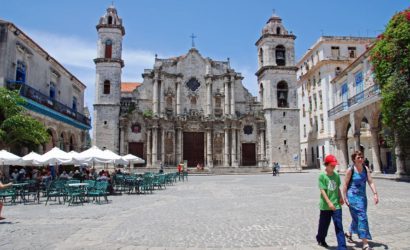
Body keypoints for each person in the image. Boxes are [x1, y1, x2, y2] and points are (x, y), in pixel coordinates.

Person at [343, 151, 378, 250]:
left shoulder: (365, 169)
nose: (361, 159)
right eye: (358, 157)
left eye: (362, 157)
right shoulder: (350, 170)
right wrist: (345, 197)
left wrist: (375, 194)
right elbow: (345, 184)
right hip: (353, 197)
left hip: (362, 198)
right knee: (362, 217)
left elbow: (370, 182)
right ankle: (365, 243)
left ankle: (349, 233)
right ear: (354, 159)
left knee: (356, 218)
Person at [316, 154, 346, 249]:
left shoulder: (336, 175)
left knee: (339, 226)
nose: (333, 166)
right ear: (326, 164)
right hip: (325, 206)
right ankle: (320, 239)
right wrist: (329, 203)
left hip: (336, 205)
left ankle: (342, 247)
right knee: (324, 226)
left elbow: (337, 188)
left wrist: (341, 197)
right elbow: (322, 191)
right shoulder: (322, 176)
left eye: (334, 165)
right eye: (331, 165)